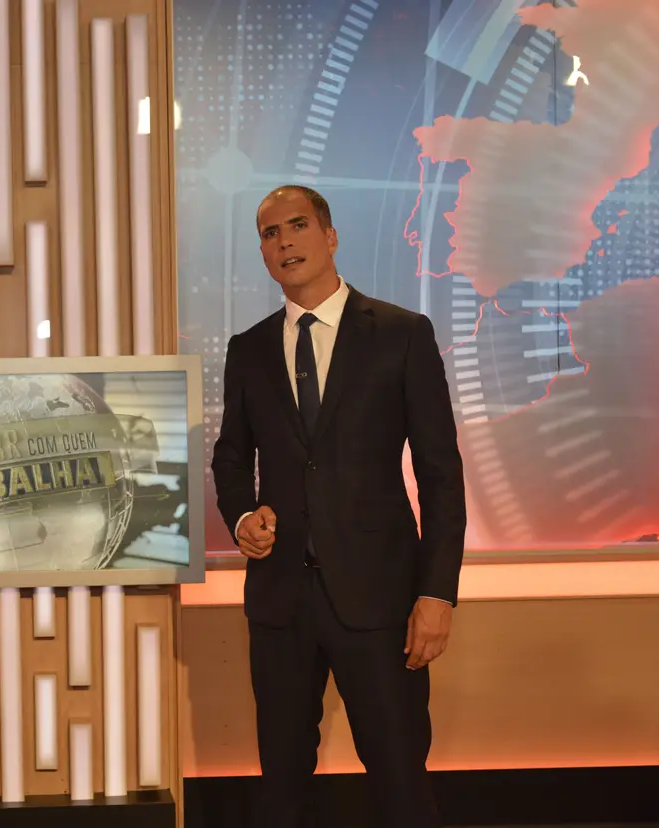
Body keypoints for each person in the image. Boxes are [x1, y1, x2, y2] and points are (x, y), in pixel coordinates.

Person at [211, 186, 466, 827]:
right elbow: (231, 458)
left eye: (298, 225)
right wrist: (242, 517)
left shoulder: (402, 334)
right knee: (281, 789)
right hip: (281, 605)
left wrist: (438, 592)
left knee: (401, 781)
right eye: (270, 233)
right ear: (263, 253)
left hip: (381, 602)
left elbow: (440, 475)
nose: (284, 241)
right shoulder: (249, 349)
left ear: (329, 236)